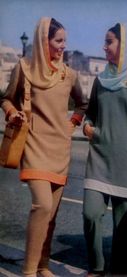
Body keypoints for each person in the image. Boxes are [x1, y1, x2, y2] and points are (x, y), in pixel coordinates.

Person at [0, 17, 88, 277]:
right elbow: (6, 99)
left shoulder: (69, 74)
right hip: (34, 146)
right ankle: (28, 271)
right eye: (58, 40)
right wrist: (13, 113)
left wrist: (71, 125)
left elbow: (83, 104)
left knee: (52, 215)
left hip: (60, 150)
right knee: (43, 206)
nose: (63, 46)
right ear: (43, 41)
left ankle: (43, 265)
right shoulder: (24, 68)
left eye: (64, 41)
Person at [82, 23, 127, 276]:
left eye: (109, 41)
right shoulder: (100, 81)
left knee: (122, 227)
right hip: (99, 157)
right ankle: (96, 267)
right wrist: (87, 126)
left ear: (125, 44)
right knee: (90, 214)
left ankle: (116, 270)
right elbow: (90, 115)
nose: (104, 46)